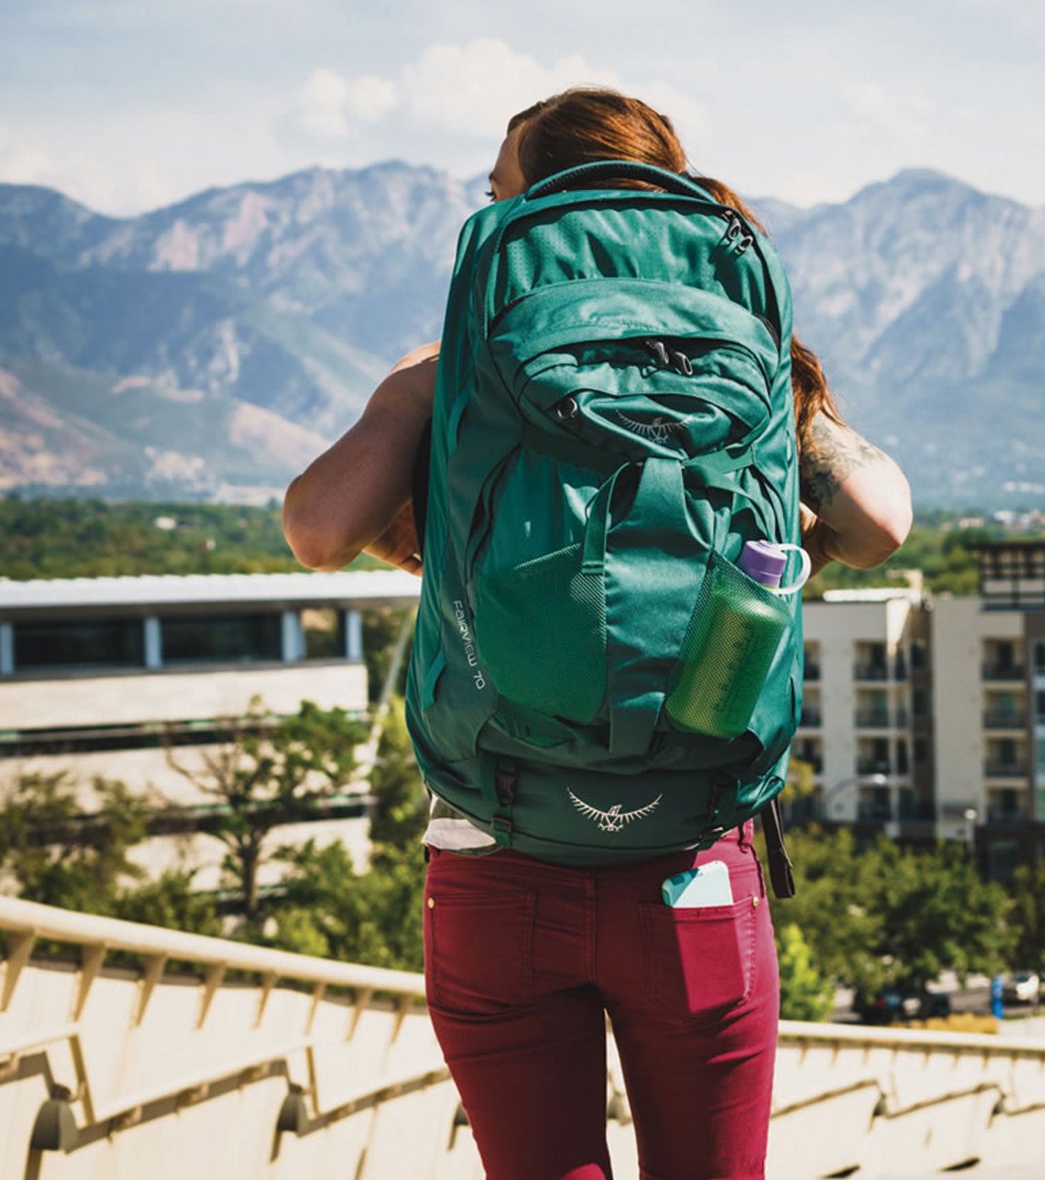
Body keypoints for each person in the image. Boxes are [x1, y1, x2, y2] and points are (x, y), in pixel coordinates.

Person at [284, 88, 911, 1180]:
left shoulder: (447, 374)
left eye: (497, 191)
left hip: (497, 850)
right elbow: (882, 522)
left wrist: (446, 541)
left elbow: (317, 530)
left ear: (538, 206)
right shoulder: (754, 367)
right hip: (695, 861)